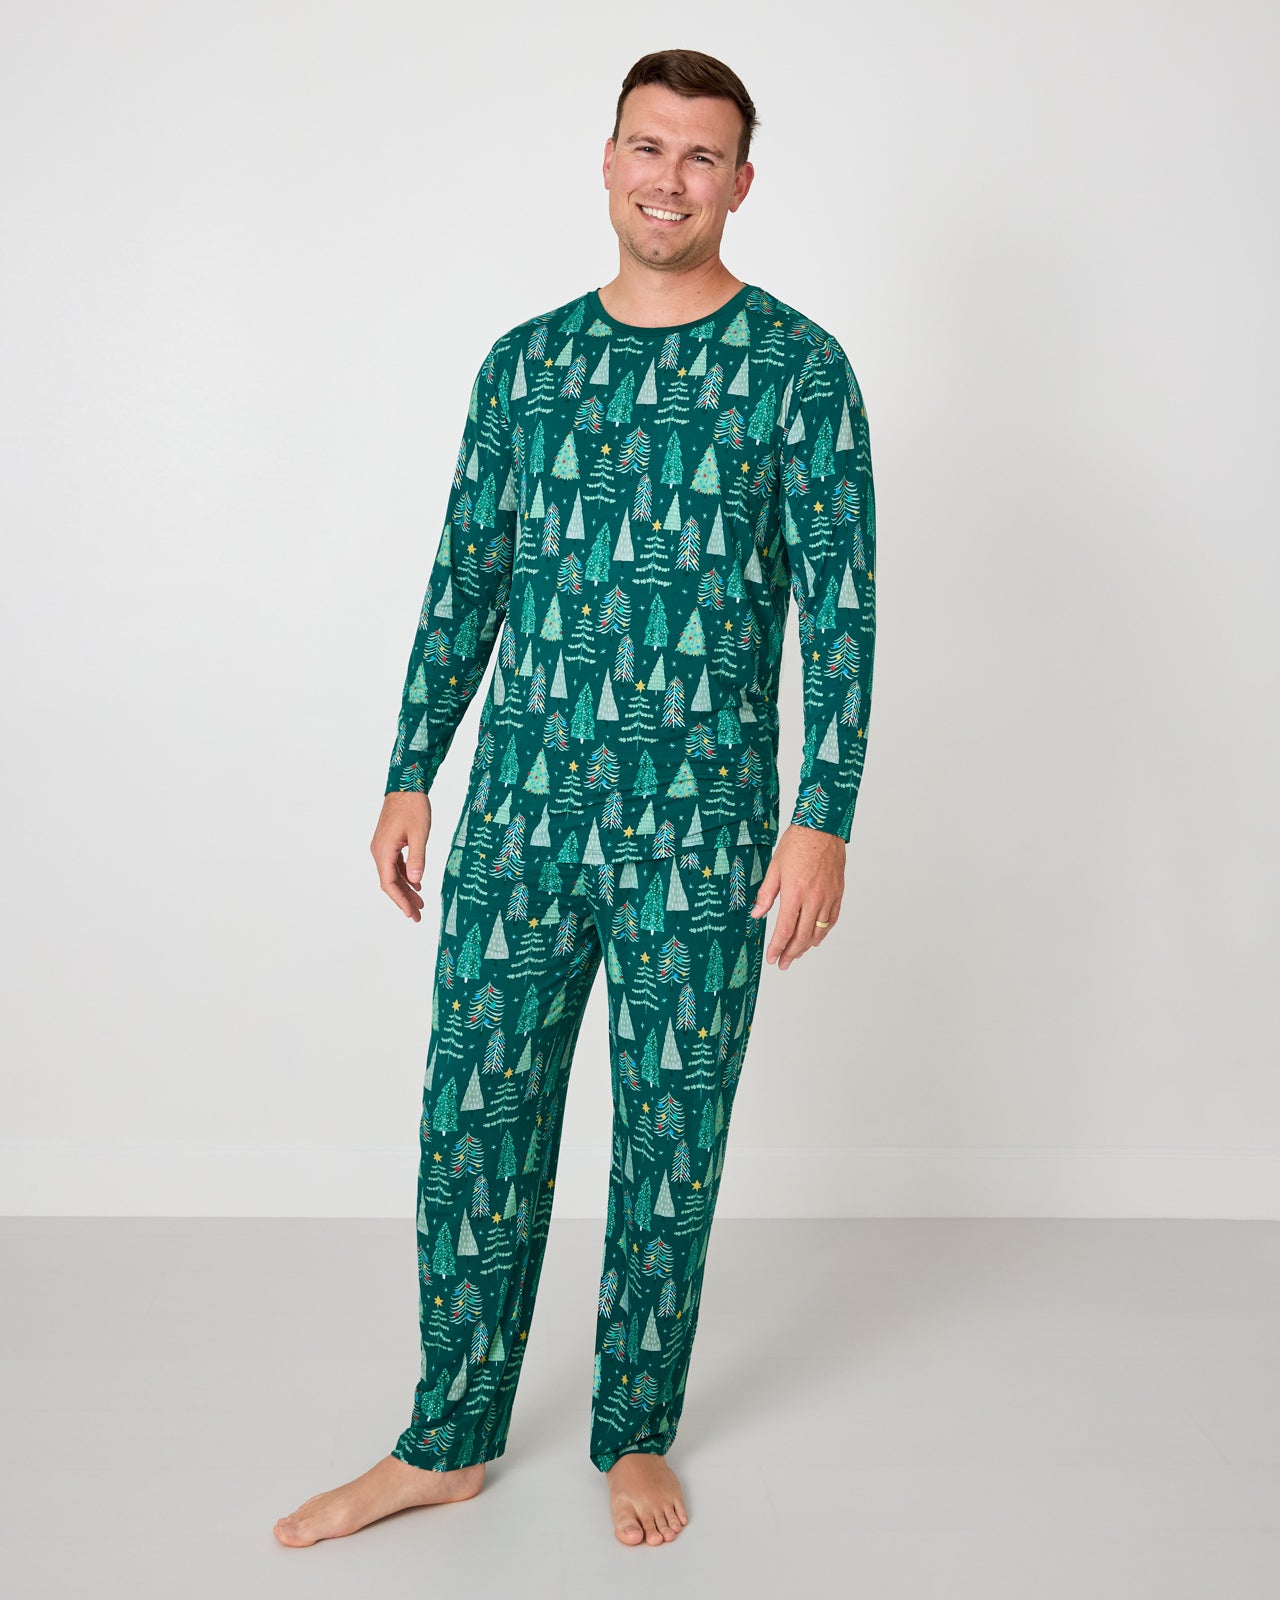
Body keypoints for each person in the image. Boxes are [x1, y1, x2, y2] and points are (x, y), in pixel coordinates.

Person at [275, 45, 877, 1552]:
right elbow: (466, 576)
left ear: (742, 183)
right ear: (607, 162)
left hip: (707, 832)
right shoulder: (524, 365)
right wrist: (411, 767)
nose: (670, 179)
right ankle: (447, 1438)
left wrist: (825, 811)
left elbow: (843, 608)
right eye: (647, 147)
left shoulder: (799, 370)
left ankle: (635, 1430)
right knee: (475, 1123)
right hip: (520, 817)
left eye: (701, 156)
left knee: (672, 1140)